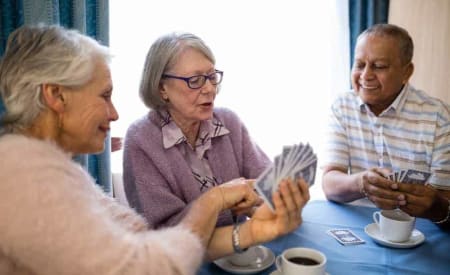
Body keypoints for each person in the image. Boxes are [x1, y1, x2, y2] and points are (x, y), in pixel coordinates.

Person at [0, 24, 310, 274]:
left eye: (212, 77)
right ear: (56, 95)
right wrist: (217, 199)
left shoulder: (57, 171)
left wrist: (253, 232)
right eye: (104, 96)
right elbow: (147, 266)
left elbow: (150, 243)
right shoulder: (21, 172)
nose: (114, 113)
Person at [123, 32, 272, 229]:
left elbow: (269, 182)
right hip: (183, 258)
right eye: (195, 80)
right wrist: (218, 199)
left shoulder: (228, 121)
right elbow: (165, 232)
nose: (209, 88)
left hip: (240, 255)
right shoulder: (141, 140)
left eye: (211, 76)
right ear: (162, 88)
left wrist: (268, 195)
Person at [322, 23, 450, 228]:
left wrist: (433, 206)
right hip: (355, 225)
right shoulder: (342, 106)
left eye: (379, 66)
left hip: (420, 231)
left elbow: (445, 203)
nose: (365, 75)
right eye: (359, 64)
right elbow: (329, 184)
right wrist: (360, 183)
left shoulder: (439, 117)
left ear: (407, 72)